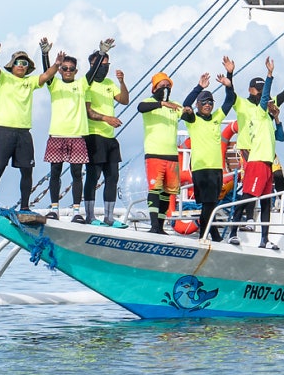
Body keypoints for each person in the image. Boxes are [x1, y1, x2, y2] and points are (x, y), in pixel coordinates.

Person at [0, 43, 60, 216]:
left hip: (24, 133)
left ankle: (24, 206)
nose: (21, 66)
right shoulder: (3, 79)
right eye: (18, 62)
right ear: (12, 65)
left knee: (27, 170)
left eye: (25, 64)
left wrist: (56, 64)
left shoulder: (30, 82)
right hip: (4, 131)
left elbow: (46, 75)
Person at [40, 37, 101, 221]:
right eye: (64, 68)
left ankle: (76, 211)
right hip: (57, 134)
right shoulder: (54, 84)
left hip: (76, 136)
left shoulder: (81, 84)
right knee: (55, 172)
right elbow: (46, 72)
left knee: (76, 173)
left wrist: (102, 53)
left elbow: (93, 71)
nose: (67, 71)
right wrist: (45, 54)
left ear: (76, 71)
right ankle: (54, 209)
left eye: (71, 69)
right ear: (60, 70)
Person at [228, 57, 284, 249]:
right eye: (263, 98)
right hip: (257, 161)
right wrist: (269, 75)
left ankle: (264, 240)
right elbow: (265, 95)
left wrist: (276, 117)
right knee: (247, 197)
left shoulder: (268, 118)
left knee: (267, 202)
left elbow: (282, 137)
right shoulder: (260, 113)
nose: (267, 100)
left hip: (268, 163)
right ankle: (233, 232)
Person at [181, 70, 236, 242]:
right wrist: (199, 87)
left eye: (210, 102)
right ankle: (209, 235)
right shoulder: (193, 120)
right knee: (208, 203)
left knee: (211, 203)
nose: (208, 105)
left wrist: (229, 81)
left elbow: (230, 101)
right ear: (198, 104)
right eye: (204, 102)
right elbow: (185, 104)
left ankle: (209, 235)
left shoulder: (216, 118)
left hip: (216, 168)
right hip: (201, 168)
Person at [83, 39, 129, 227]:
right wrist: (106, 119)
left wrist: (122, 81)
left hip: (110, 138)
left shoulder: (109, 83)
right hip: (94, 136)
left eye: (107, 65)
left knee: (112, 177)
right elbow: (87, 111)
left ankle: (109, 218)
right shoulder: (87, 84)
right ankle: (90, 216)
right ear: (93, 66)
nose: (105, 68)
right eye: (101, 64)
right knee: (93, 177)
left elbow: (124, 100)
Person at [138, 72, 183, 234]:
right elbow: (140, 108)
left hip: (171, 155)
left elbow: (187, 115)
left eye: (168, 86)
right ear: (154, 88)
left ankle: (161, 226)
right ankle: (154, 225)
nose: (165, 88)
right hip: (154, 153)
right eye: (162, 86)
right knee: (154, 189)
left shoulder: (175, 104)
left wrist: (189, 111)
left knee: (167, 192)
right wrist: (162, 104)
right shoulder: (149, 103)